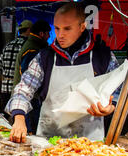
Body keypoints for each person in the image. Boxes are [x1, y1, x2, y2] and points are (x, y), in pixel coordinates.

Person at [6, 3, 119, 143]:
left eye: (67, 29)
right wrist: (19, 117)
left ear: (82, 26)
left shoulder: (103, 57)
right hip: (49, 142)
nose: (60, 35)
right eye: (57, 28)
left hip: (90, 146)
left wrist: (112, 106)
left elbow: (120, 91)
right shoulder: (45, 57)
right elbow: (23, 88)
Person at [12, 20, 51, 134]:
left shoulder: (32, 45)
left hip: (30, 98)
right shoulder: (33, 49)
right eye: (49, 33)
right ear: (42, 34)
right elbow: (27, 76)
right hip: (30, 99)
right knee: (29, 130)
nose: (50, 36)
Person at [0, 20, 32, 114]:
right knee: (18, 118)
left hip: (5, 88)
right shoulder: (27, 47)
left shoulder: (8, 45)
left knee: (4, 119)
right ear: (29, 30)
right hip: (19, 90)